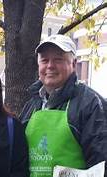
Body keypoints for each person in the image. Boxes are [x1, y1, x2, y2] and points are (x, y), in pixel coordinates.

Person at [19, 34, 107, 176]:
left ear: (73, 64)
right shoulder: (31, 106)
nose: (50, 66)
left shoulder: (91, 104)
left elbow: (101, 164)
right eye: (44, 60)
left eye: (58, 59)